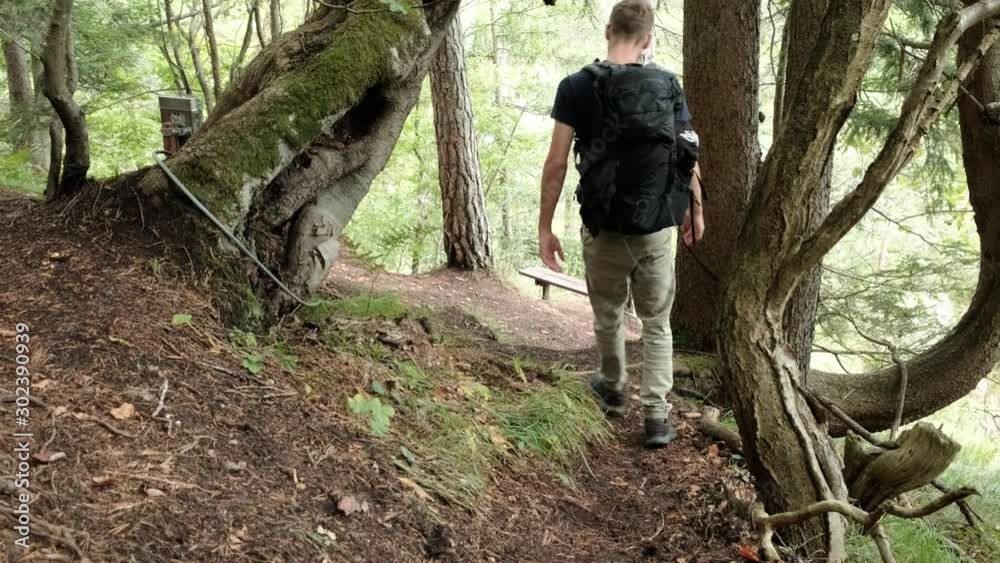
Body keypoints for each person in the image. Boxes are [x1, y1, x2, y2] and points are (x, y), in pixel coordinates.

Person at [537, 0, 705, 449]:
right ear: (647, 39)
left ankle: (612, 391)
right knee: (657, 323)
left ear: (608, 30)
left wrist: (545, 228)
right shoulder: (667, 84)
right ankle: (656, 417)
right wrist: (695, 211)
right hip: (656, 227)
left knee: (608, 313)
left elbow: (556, 164)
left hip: (603, 225)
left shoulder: (575, 86)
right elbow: (687, 154)